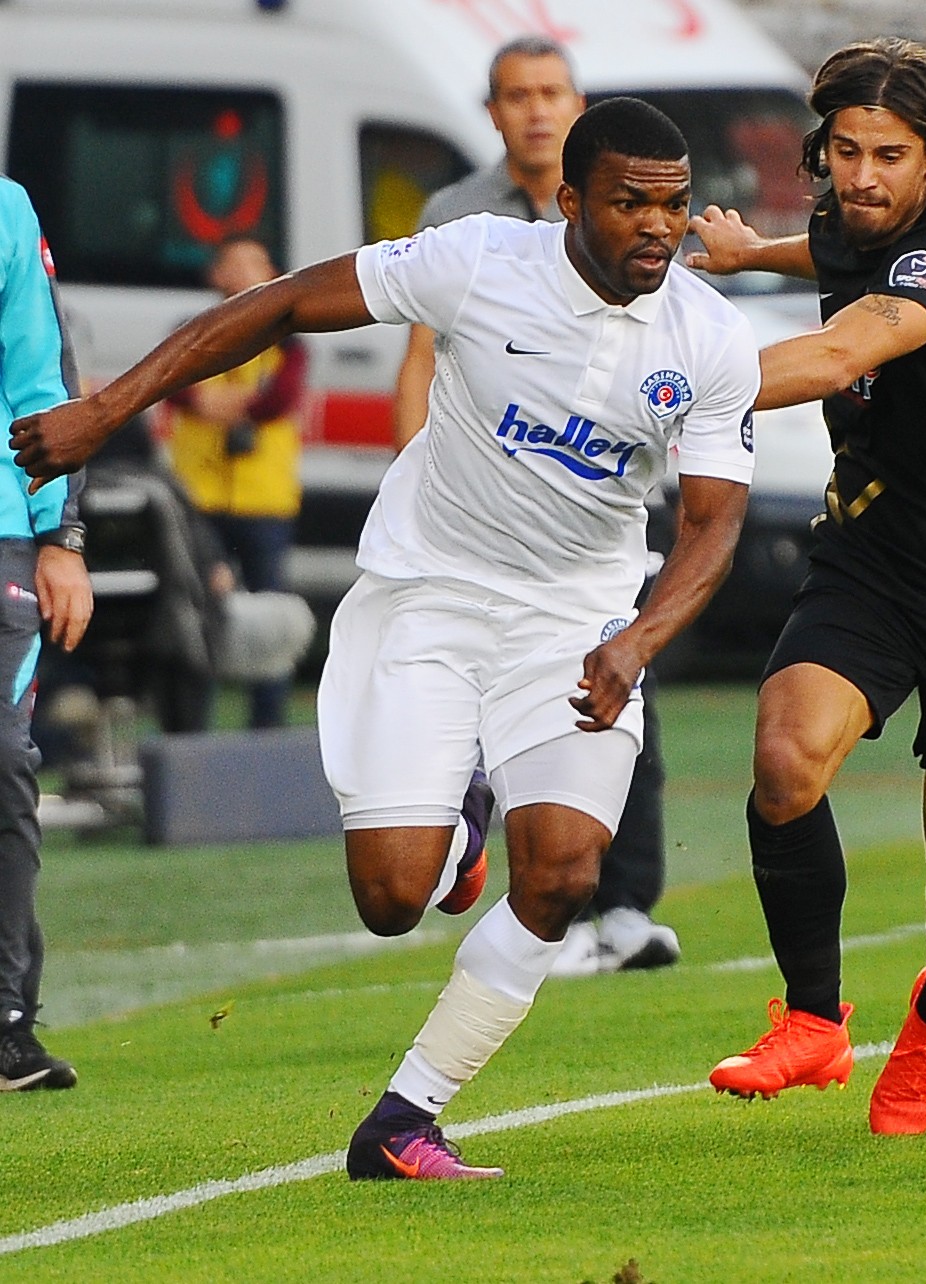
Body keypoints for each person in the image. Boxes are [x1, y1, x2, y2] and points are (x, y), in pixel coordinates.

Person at [11, 98, 758, 1175]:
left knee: (563, 875)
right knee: (390, 900)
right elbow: (279, 305)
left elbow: (713, 526)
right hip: (431, 594)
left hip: (575, 619)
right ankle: (463, 811)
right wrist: (106, 411)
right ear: (568, 202)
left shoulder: (709, 338)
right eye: (629, 202)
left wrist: (637, 640)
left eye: (674, 205)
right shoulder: (476, 259)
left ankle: (405, 1118)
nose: (658, 226)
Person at [687, 37, 926, 1134]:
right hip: (872, 561)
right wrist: (745, 252)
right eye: (845, 150)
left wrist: (668, 391)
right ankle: (813, 1022)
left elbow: (840, 350)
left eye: (888, 155)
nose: (862, 176)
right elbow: (826, 249)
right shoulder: (850, 226)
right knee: (783, 760)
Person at [395, 36, 681, 978]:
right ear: (492, 112)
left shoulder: (629, 202)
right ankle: (539, 899)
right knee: (493, 702)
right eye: (517, 95)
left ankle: (627, 904)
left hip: (603, 500)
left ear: (578, 102)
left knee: (621, 686)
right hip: (486, 507)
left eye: (551, 91)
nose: (536, 110)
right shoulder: (456, 214)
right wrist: (418, 477)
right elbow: (422, 357)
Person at [0, 177, 94, 1091]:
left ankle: (4, 1022)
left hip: (2, 536)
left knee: (1, 758)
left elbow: (42, 379)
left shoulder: (6, 210)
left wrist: (61, 538)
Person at [164, 236, 306, 729]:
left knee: (269, 614)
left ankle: (267, 731)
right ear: (215, 274)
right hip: (198, 497)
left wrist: (221, 404)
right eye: (235, 263)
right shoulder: (189, 332)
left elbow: (279, 399)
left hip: (263, 499)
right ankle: (192, 728)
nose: (246, 273)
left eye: (256, 263)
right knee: (197, 615)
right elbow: (173, 386)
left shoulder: (289, 340)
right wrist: (236, 403)